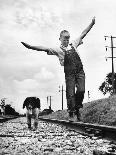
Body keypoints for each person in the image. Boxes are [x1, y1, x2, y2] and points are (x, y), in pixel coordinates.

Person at [21, 17, 95, 121]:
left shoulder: (73, 43)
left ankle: (78, 109)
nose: (66, 40)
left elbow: (83, 33)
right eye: (64, 38)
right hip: (69, 73)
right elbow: (43, 48)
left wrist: (91, 24)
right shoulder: (57, 49)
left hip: (79, 71)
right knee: (70, 93)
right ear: (60, 38)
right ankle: (71, 113)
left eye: (68, 38)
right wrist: (30, 47)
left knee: (81, 90)